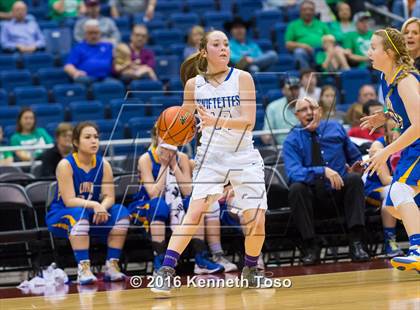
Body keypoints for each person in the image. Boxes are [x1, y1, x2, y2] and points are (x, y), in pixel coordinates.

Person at [152, 30, 268, 295]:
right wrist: (167, 144)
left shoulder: (243, 78)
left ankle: (250, 269)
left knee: (256, 220)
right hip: (211, 156)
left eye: (226, 44)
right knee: (194, 213)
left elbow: (249, 121)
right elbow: (184, 120)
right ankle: (165, 271)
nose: (224, 48)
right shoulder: (194, 85)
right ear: (205, 52)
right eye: (217, 44)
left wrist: (218, 121)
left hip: (243, 154)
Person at [283, 97, 370, 265]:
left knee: (354, 180)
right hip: (313, 198)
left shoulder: (336, 128)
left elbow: (355, 158)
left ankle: (357, 243)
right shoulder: (291, 140)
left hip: (338, 193)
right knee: (296, 189)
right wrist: (322, 171)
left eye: (312, 108)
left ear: (320, 111)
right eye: (303, 110)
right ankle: (310, 246)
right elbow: (293, 173)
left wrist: (357, 167)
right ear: (297, 115)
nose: (309, 112)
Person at [128, 127, 224, 274]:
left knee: (195, 204)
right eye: (165, 136)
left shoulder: (182, 157)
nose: (169, 140)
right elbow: (154, 193)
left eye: (173, 136)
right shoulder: (146, 159)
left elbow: (188, 191)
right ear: (156, 138)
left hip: (174, 202)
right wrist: (164, 165)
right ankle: (160, 261)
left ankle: (201, 260)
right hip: (147, 204)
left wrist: (174, 165)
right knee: (158, 206)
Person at [362, 27, 419, 272]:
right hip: (412, 146)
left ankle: (417, 249)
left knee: (398, 191)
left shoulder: (405, 79)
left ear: (389, 52)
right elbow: (401, 110)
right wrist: (384, 117)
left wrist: (386, 151)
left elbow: (418, 125)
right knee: (395, 206)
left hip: (417, 143)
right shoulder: (387, 78)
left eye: (373, 47)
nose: (369, 52)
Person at [46, 122, 130, 284]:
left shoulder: (104, 164)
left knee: (121, 213)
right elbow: (69, 200)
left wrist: (102, 208)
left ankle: (112, 266)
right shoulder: (66, 165)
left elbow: (109, 197)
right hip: (62, 214)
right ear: (76, 142)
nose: (94, 141)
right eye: (88, 137)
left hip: (90, 213)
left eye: (96, 137)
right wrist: (95, 205)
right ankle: (83, 269)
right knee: (79, 214)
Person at [363, 118, 403, 257]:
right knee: (391, 193)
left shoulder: (410, 143)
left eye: (399, 128)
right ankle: (390, 242)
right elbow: (385, 180)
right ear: (385, 131)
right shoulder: (377, 147)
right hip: (376, 188)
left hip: (401, 185)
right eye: (392, 128)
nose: (396, 133)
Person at [65, 19, 114, 85]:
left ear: (100, 33)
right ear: (85, 34)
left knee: (116, 85)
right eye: (90, 33)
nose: (93, 36)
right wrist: (75, 72)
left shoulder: (108, 46)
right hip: (87, 78)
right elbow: (68, 66)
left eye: (96, 33)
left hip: (106, 78)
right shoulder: (79, 48)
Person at [285, 0, 330, 69]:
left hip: (321, 51)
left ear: (314, 12)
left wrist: (326, 45)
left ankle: (329, 76)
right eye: (305, 10)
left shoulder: (322, 24)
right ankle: (307, 75)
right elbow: (288, 44)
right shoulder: (293, 25)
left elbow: (330, 38)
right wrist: (303, 46)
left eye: (311, 10)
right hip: (304, 52)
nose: (308, 12)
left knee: (333, 51)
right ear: (300, 11)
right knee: (299, 52)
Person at [261, 76, 300, 145]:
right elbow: (266, 134)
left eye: (296, 89)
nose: (294, 92)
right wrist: (267, 138)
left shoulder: (307, 105)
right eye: (291, 89)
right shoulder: (272, 107)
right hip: (282, 148)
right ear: (283, 90)